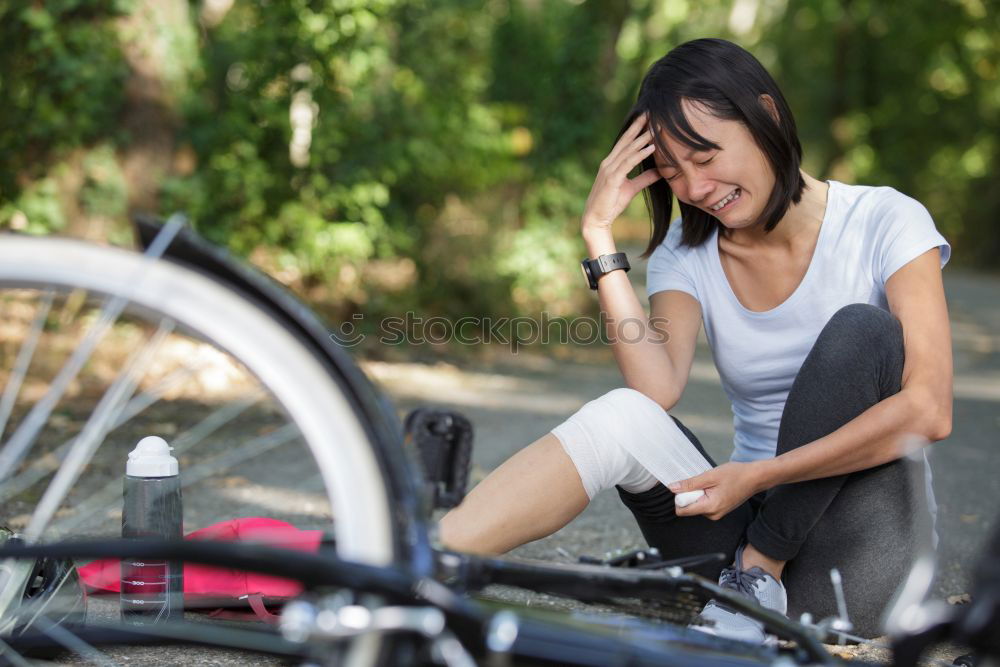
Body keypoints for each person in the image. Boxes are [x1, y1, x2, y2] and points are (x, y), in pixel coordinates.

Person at [438, 37, 952, 643]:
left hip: (856, 559)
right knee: (620, 415)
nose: (696, 188)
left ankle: (760, 569)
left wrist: (760, 479)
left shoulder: (886, 220)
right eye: (675, 172)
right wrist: (598, 236)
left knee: (862, 330)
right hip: (733, 543)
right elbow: (656, 388)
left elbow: (930, 410)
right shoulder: (688, 251)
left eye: (706, 158)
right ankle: (411, 560)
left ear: (768, 114)